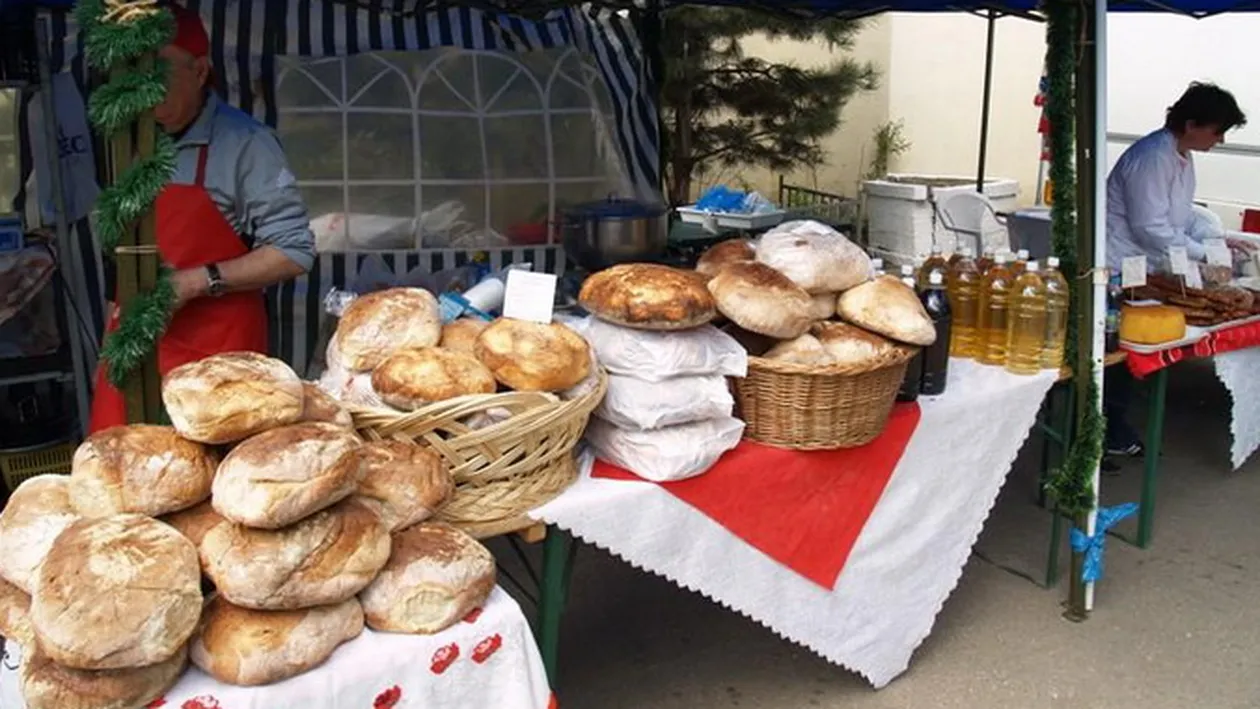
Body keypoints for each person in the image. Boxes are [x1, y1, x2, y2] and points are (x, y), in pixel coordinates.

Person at [88, 4, 315, 433]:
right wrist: (110, 342)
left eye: (160, 68)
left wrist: (194, 282)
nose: (146, 85)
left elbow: (294, 251)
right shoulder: (128, 141)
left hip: (217, 357)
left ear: (200, 70)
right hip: (137, 353)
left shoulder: (247, 144)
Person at [1103, 82, 1246, 463]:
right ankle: (1104, 433)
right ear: (1192, 123)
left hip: (1143, 267)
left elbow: (1179, 219)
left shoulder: (1180, 156)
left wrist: (1220, 241)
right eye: (1217, 131)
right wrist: (1203, 254)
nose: (1219, 140)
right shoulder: (1153, 157)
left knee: (1130, 347)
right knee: (1115, 351)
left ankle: (1112, 427)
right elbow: (1149, 226)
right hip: (1119, 265)